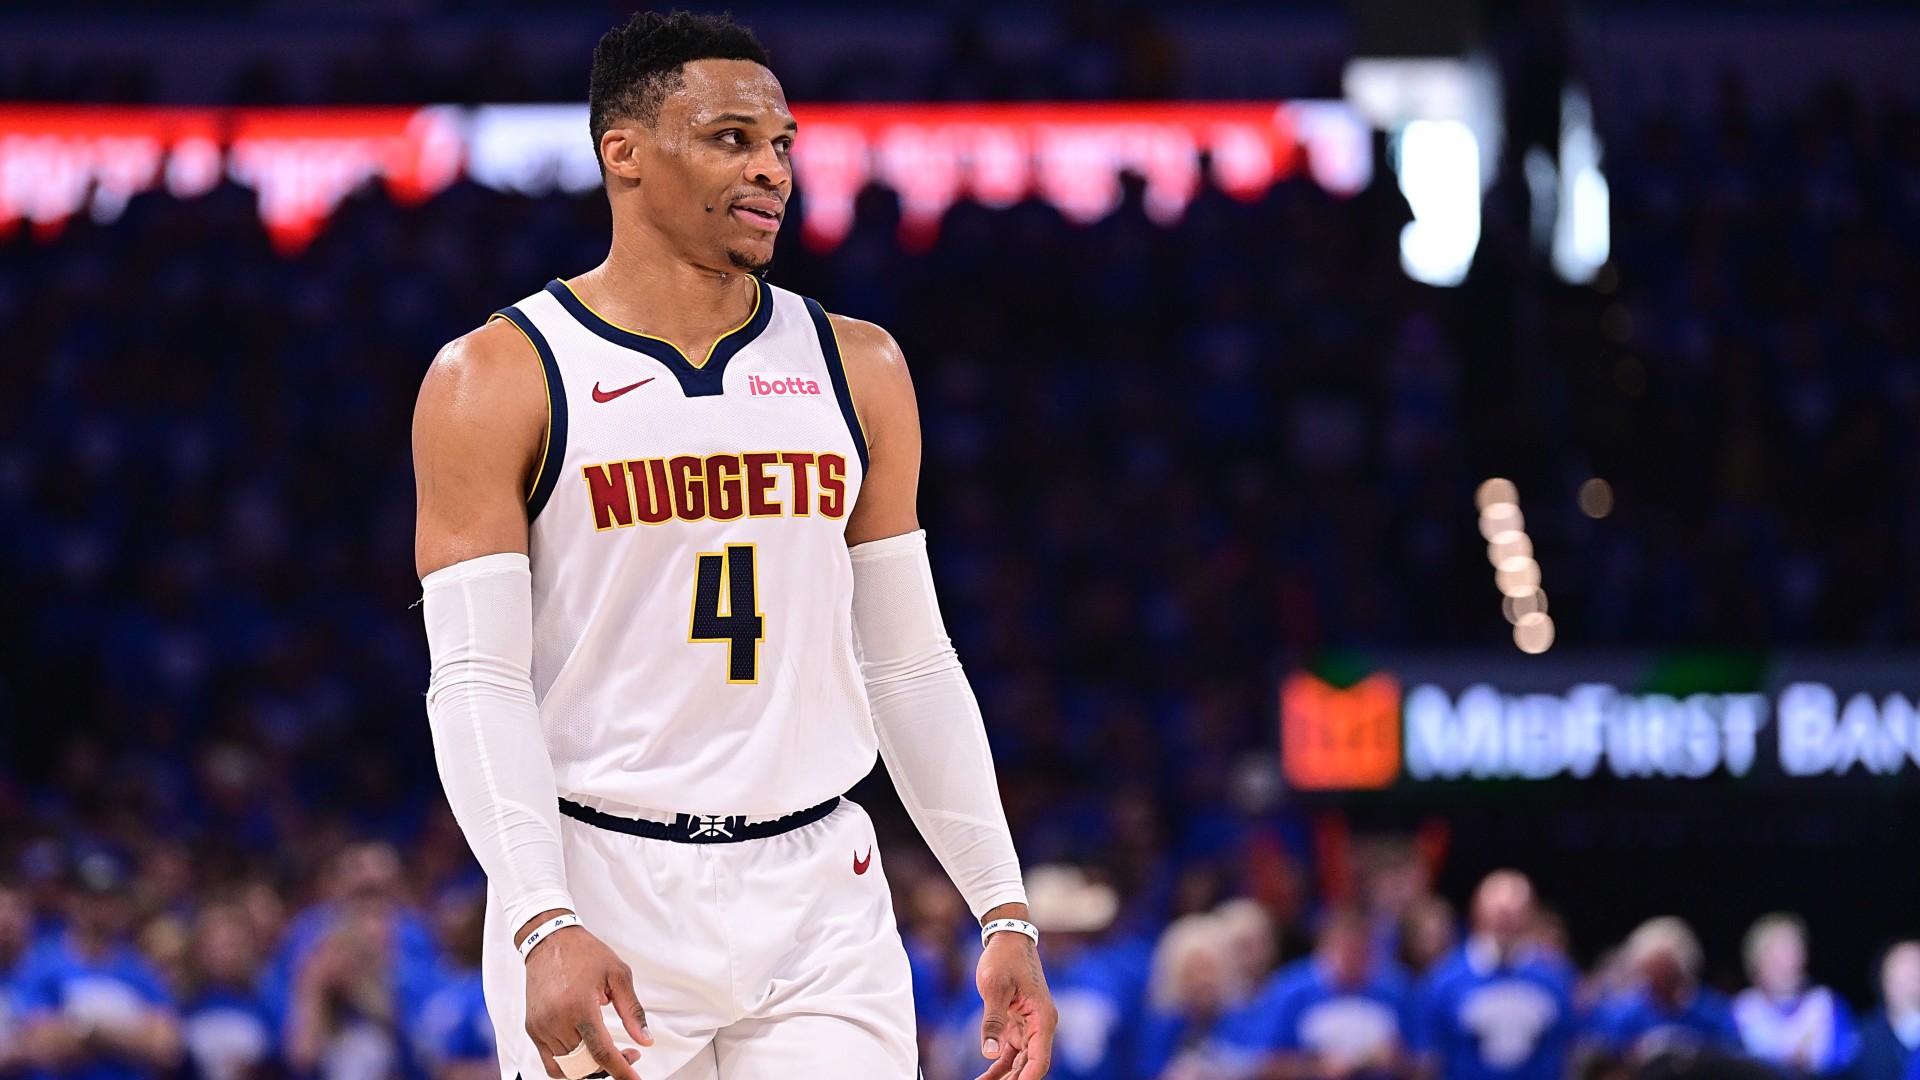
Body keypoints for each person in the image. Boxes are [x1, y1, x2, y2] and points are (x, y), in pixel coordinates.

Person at [410, 11, 1054, 1080]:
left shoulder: (859, 365)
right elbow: (476, 678)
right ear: (623, 152)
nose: (772, 170)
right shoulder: (498, 375)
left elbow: (908, 661)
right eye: (730, 139)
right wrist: (537, 916)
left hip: (819, 888)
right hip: (602, 876)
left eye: (781, 144)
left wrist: (1003, 905)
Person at [13, 855, 182, 1080]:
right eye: (91, 899)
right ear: (73, 901)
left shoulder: (140, 971)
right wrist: (132, 1037)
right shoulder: (43, 965)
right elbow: (41, 1047)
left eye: (108, 900)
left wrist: (89, 1031)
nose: (99, 909)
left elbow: (165, 1048)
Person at [1417, 871, 1576, 1080]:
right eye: (1499, 914)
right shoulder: (1445, 980)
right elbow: (1429, 1056)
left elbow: (1570, 1048)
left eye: (1514, 914)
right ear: (1477, 914)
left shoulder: (1555, 977)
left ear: (1531, 916)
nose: (1506, 924)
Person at [1261, 908, 1416, 1080]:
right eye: (1345, 951)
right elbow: (1267, 1066)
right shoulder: (1292, 991)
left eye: (1361, 953)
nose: (1352, 961)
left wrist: (1394, 1060)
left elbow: (1422, 1064)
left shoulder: (1396, 991)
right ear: (1324, 948)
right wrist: (1316, 1067)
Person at [1590, 917, 1740, 1064]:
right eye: (1651, 974)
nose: (1659, 982)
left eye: (1667, 973)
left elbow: (1733, 1059)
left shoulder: (1714, 1012)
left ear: (1683, 970)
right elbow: (1605, 1062)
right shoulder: (1624, 1016)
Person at [1734, 914, 1856, 1076]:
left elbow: (1847, 1059)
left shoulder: (1827, 1004)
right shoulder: (1743, 1010)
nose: (1786, 965)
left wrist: (1810, 1062)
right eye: (1775, 958)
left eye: (1792, 953)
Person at [177, 902, 274, 1080]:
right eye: (214, 945)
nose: (222, 954)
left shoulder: (266, 999)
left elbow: (291, 1059)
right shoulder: (183, 1003)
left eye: (230, 945)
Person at [1851, 942, 1920, 1080]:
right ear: (1883, 979)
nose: (1914, 975)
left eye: (1916, 969)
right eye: (1903, 973)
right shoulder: (1859, 1037)